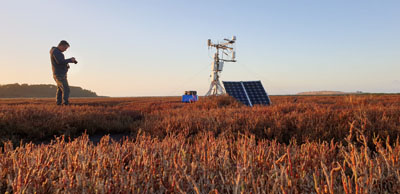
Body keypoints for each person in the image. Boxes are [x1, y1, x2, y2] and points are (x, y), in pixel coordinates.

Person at [50, 40, 77, 105]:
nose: (65, 50)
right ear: (61, 45)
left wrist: (66, 64)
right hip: (59, 74)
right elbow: (60, 61)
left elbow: (60, 62)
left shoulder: (55, 51)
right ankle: (65, 104)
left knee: (60, 90)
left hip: (58, 74)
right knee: (66, 89)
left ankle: (58, 104)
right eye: (65, 48)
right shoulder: (56, 52)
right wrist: (70, 60)